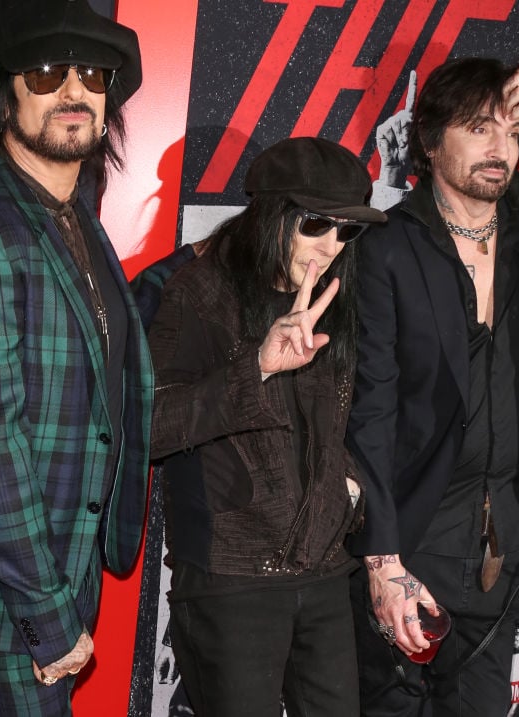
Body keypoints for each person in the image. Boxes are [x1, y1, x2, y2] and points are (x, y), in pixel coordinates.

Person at [346, 55, 519, 716]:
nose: (500, 148)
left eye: (511, 131)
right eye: (478, 128)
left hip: (507, 541)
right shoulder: (388, 247)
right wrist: (382, 561)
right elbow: (370, 411)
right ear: (431, 142)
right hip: (413, 537)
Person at [0, 0, 152, 714]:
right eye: (48, 72)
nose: (75, 90)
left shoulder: (75, 215)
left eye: (92, 74)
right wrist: (48, 616)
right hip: (3, 611)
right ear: (5, 95)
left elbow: (103, 395)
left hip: (52, 589)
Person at [147, 137, 386, 716]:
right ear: (271, 214)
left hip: (326, 569)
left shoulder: (337, 295)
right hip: (233, 580)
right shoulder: (199, 293)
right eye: (316, 224)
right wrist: (255, 366)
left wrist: (347, 488)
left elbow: (348, 420)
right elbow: (150, 425)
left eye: (348, 230)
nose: (331, 246)